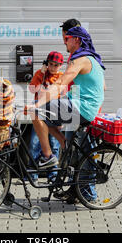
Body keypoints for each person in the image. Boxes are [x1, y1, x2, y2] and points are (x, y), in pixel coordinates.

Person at [24, 26, 104, 203]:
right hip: (82, 106)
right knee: (72, 151)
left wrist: (37, 103)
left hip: (82, 108)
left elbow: (60, 83)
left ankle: (48, 157)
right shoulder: (89, 59)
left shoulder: (81, 59)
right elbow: (98, 87)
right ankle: (63, 146)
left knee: (37, 113)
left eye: (67, 38)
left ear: (77, 40)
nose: (64, 41)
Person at [27, 51, 64, 182]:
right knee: (34, 144)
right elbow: (32, 89)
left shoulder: (62, 77)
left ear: (61, 65)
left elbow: (64, 97)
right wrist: (41, 73)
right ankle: (32, 175)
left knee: (54, 145)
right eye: (50, 64)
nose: (53, 67)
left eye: (56, 65)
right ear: (46, 64)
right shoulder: (41, 74)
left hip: (54, 114)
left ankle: (53, 175)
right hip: (40, 114)